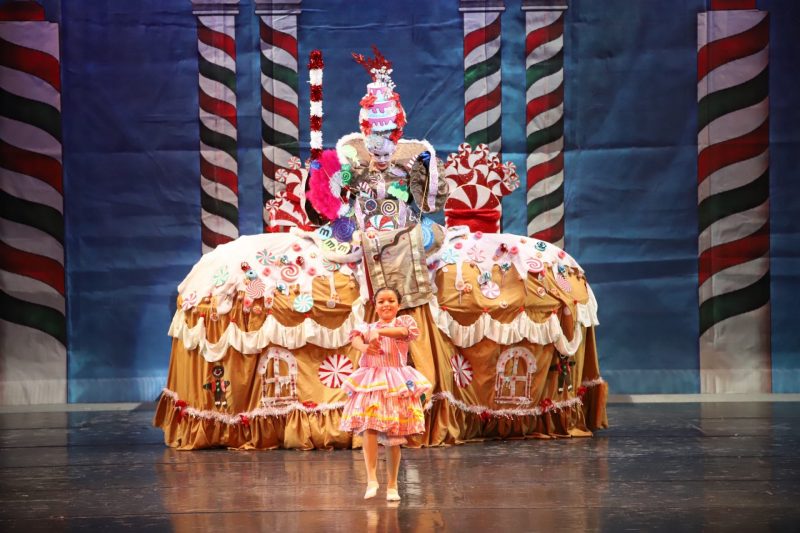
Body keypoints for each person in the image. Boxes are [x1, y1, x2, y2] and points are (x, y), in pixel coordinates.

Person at [339, 287, 432, 501]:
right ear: (375, 306)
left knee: (393, 436)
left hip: (395, 382)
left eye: (391, 300)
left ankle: (392, 486)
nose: (386, 305)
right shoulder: (367, 327)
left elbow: (402, 333)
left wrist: (380, 333)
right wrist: (364, 347)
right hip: (373, 382)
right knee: (369, 427)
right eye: (381, 301)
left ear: (398, 305)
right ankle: (372, 479)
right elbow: (355, 338)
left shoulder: (404, 323)